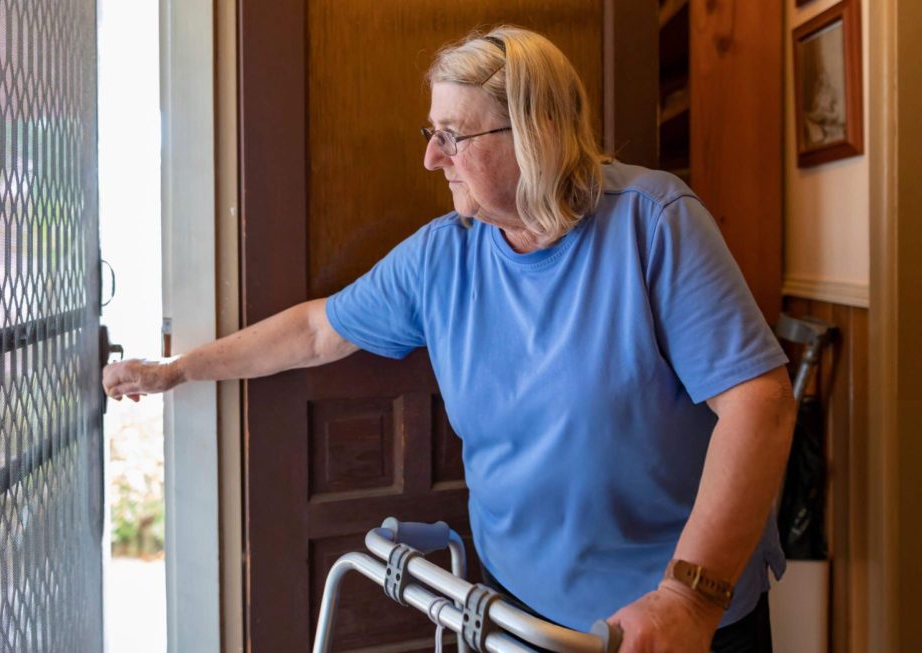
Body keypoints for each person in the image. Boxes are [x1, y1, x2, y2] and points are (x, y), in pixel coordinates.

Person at [103, 26, 795, 652]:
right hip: (518, 608)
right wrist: (179, 368)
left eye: (454, 136)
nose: (433, 157)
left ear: (536, 130)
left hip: (668, 620)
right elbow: (317, 331)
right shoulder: (445, 255)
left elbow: (759, 403)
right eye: (430, 132)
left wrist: (687, 597)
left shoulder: (654, 222)